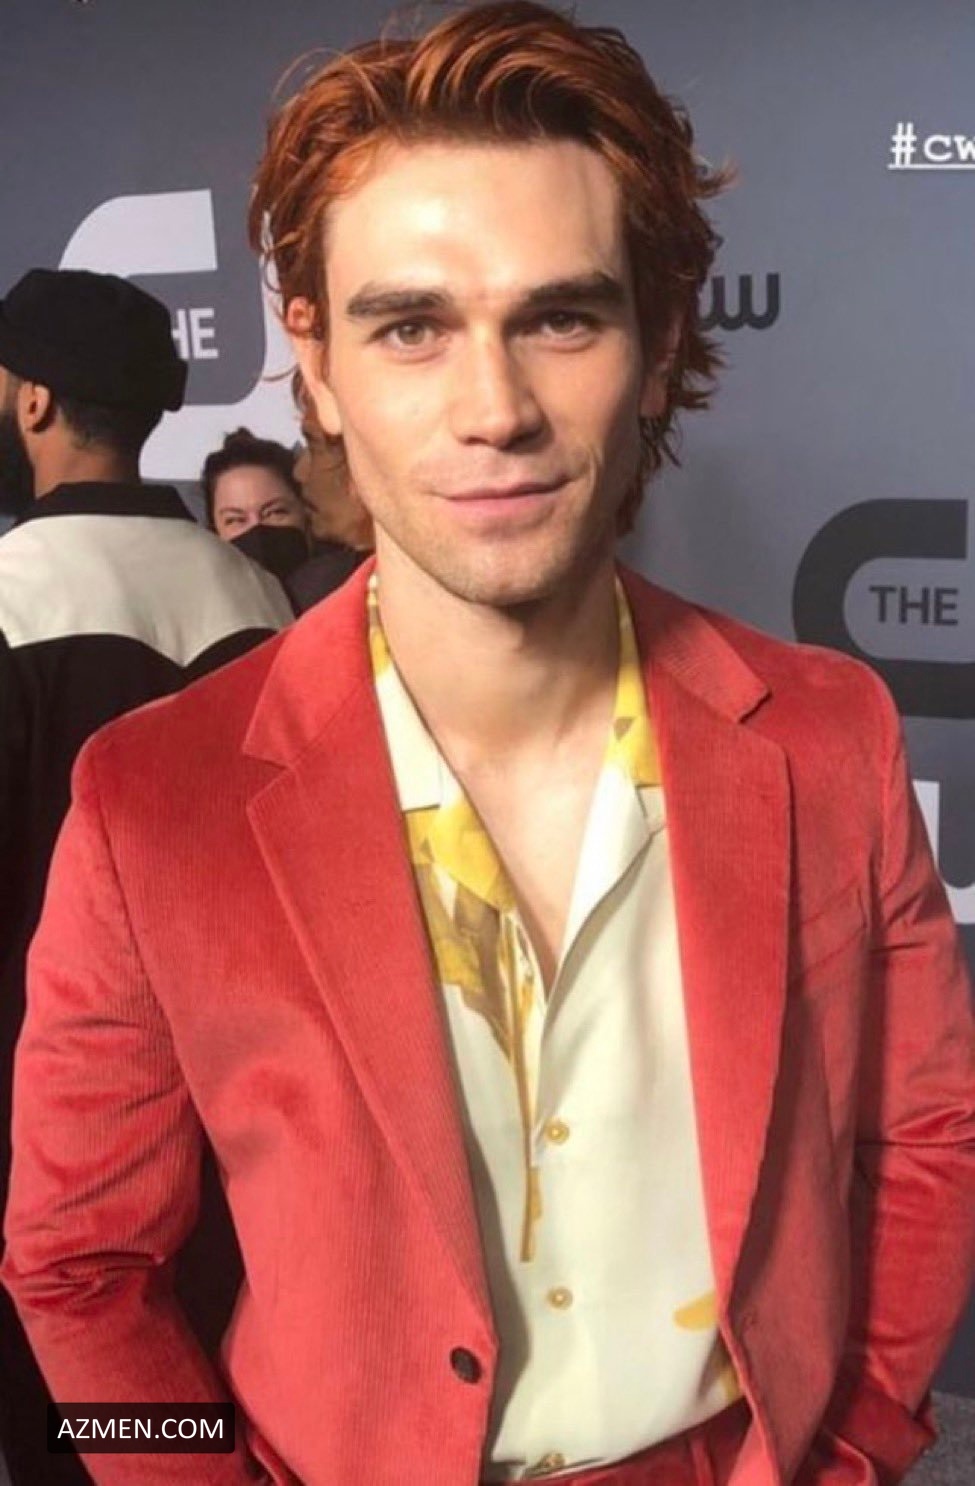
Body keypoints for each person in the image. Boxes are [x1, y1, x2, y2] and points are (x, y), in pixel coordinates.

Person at [3, 6, 974, 1484]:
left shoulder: (827, 733)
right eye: (411, 327)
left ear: (656, 346)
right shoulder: (150, 802)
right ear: (318, 369)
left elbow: (924, 1137)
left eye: (560, 318)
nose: (495, 409)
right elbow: (76, 1267)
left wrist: (858, 1444)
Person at [0, 267, 293, 1486]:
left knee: (81, 1409)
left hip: (51, 1121)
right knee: (224, 1396)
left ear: (31, 402)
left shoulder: (10, 600)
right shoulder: (261, 597)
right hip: (253, 1106)